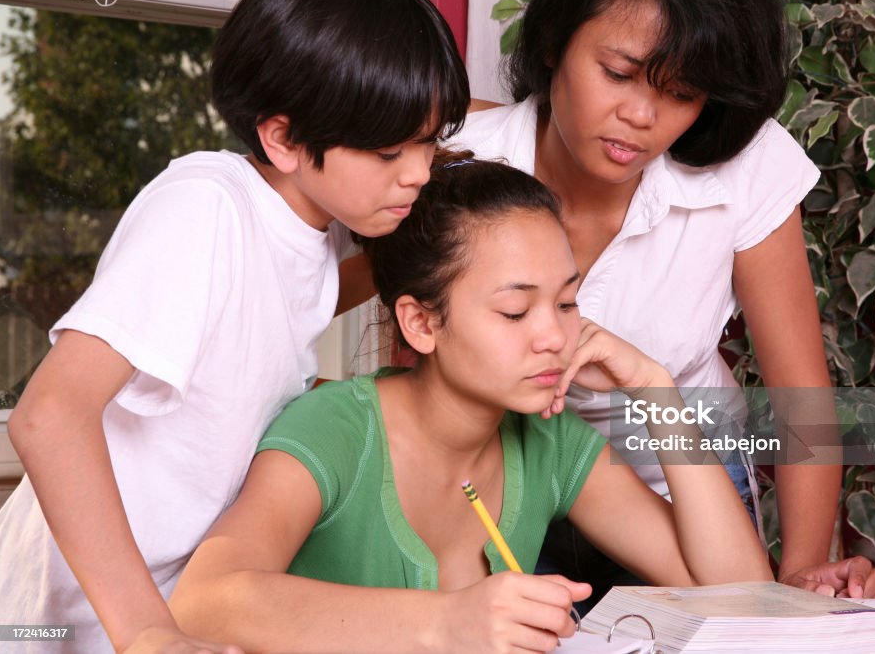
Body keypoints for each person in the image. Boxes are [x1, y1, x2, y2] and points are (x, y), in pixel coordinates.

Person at [0, 0, 469, 652]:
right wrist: (146, 633)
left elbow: (283, 312)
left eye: (430, 141)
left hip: (180, 605)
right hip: (64, 619)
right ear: (282, 139)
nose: (419, 171)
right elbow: (48, 416)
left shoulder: (317, 224)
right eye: (392, 150)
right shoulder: (205, 207)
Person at [167, 155, 773, 654]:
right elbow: (202, 601)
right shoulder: (336, 430)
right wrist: (445, 622)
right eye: (515, 311)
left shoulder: (551, 441)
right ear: (421, 323)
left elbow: (747, 602)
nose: (554, 337)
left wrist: (657, 391)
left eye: (566, 303)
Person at [450, 0, 875, 603]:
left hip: (690, 487)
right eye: (618, 73)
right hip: (509, 489)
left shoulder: (745, 167)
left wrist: (798, 575)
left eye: (681, 93)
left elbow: (800, 391)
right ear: (554, 45)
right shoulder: (464, 164)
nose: (640, 117)